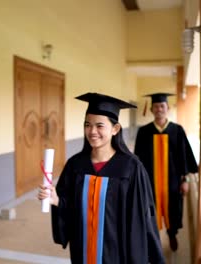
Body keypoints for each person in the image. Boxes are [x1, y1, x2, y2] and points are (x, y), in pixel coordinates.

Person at [38, 92, 165, 264]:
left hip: (118, 254)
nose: (92, 131)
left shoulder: (131, 168)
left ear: (115, 129)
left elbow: (142, 218)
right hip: (82, 251)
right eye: (87, 125)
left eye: (99, 126)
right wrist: (57, 201)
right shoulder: (75, 165)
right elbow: (71, 210)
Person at [134, 93, 198, 252]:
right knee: (150, 212)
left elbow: (185, 157)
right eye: (156, 106)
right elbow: (137, 160)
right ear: (151, 109)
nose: (159, 109)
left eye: (162, 106)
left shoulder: (177, 130)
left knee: (173, 210)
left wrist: (186, 181)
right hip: (150, 182)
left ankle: (172, 234)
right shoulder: (144, 132)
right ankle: (153, 242)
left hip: (173, 181)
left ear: (167, 108)